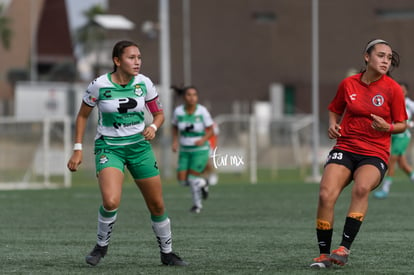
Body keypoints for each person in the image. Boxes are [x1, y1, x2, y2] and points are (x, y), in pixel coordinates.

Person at [67, 40, 187, 267]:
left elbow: (159, 114)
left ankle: (167, 253)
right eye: (131, 58)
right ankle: (101, 247)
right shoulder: (99, 85)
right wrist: (77, 149)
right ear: (117, 61)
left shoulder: (145, 84)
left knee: (157, 205)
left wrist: (153, 127)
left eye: (139, 57)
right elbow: (82, 116)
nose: (137, 62)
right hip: (109, 147)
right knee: (111, 201)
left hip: (139, 148)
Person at [310, 39, 407, 268]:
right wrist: (333, 125)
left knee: (362, 188)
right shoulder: (348, 84)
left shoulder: (392, 89)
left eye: (389, 58)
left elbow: (403, 124)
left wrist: (388, 127)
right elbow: (335, 110)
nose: (386, 61)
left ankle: (343, 248)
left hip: (375, 153)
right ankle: (324, 255)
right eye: (381, 55)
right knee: (325, 194)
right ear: (367, 57)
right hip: (345, 147)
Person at [171, 86, 214, 213]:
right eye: (189, 95)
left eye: (194, 95)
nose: (192, 97)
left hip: (200, 150)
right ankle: (203, 183)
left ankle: (197, 206)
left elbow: (211, 130)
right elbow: (174, 126)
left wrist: (203, 139)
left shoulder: (202, 111)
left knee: (192, 178)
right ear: (184, 97)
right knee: (182, 181)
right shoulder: (178, 111)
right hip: (184, 150)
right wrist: (175, 141)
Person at [374, 82, 414, 199]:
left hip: (402, 136)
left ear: (406, 92)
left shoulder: (410, 104)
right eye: (399, 90)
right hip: (392, 135)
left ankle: (385, 190)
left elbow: (406, 123)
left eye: (403, 90)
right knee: (402, 165)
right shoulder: (391, 102)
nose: (401, 92)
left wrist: (410, 124)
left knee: (391, 161)